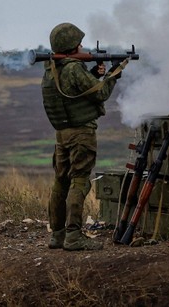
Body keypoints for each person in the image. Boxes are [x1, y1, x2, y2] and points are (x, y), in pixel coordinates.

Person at [41, 22, 122, 251]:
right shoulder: (73, 69)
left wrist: (94, 74)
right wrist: (114, 73)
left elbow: (73, 92)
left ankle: (57, 235)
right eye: (79, 44)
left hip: (62, 134)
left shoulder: (52, 68)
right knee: (80, 181)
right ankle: (74, 236)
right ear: (71, 46)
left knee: (60, 182)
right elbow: (101, 93)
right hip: (81, 134)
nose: (83, 46)